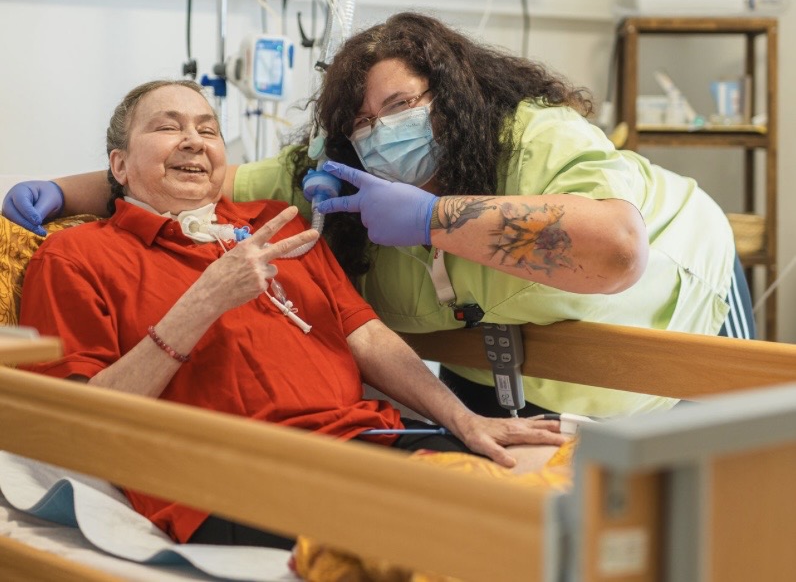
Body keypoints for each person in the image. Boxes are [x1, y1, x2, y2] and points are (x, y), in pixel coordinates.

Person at [6, 12, 754, 420]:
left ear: (451, 98)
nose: (380, 131)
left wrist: (434, 219)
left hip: (679, 310)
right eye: (362, 121)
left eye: (400, 107)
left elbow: (616, 250)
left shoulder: (531, 137)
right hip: (512, 380)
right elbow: (202, 175)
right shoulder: (331, 183)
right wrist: (63, 192)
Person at [17, 79, 565, 549]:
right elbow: (77, 425)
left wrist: (465, 421)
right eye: (167, 127)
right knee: (477, 533)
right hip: (233, 478)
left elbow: (367, 337)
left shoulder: (278, 225)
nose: (194, 141)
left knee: (560, 489)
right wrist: (205, 302)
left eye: (208, 130)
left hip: (361, 440)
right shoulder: (76, 256)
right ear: (118, 165)